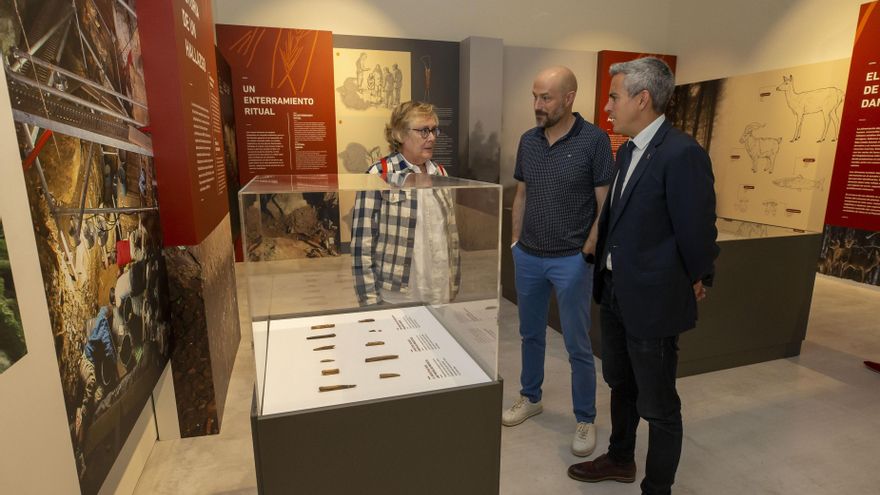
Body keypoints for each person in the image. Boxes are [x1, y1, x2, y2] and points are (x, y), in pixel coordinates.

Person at [567, 57, 719, 495]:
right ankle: (620, 458)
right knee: (620, 382)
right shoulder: (628, 149)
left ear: (643, 98)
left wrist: (698, 277)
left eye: (614, 97)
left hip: (653, 300)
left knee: (659, 403)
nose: (608, 107)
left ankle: (657, 487)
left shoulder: (682, 153)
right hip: (616, 292)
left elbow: (697, 231)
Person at [503, 66, 614, 457]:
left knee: (577, 343)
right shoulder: (528, 141)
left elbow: (605, 204)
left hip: (571, 259)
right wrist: (515, 241)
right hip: (529, 256)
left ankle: (585, 418)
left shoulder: (594, 141)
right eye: (534, 96)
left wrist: (589, 247)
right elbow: (522, 194)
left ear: (569, 98)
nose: (537, 105)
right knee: (529, 334)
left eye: (545, 98)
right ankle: (530, 396)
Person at [351, 100, 460, 306]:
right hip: (399, 294)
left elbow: (450, 235)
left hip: (439, 289)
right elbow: (363, 243)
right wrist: (369, 300)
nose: (432, 138)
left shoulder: (440, 173)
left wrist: (452, 283)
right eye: (424, 131)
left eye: (434, 130)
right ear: (400, 134)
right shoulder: (379, 174)